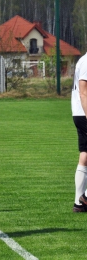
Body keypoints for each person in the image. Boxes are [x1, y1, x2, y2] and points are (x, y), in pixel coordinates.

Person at [71, 53, 87, 212]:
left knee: (85, 153)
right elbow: (83, 92)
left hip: (79, 112)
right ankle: (86, 197)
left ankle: (79, 203)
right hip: (84, 113)